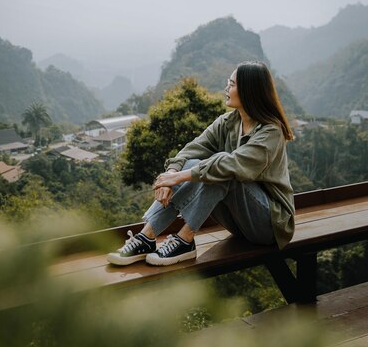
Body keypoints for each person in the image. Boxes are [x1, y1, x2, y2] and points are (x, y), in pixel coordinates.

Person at [107, 61, 295, 267]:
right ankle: (147, 237)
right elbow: (192, 149)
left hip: (271, 226)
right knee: (196, 163)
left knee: (222, 166)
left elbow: (233, 164)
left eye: (231, 84)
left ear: (249, 91)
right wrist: (171, 174)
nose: (226, 88)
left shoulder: (271, 131)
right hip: (238, 222)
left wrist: (178, 177)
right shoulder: (228, 122)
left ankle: (185, 240)